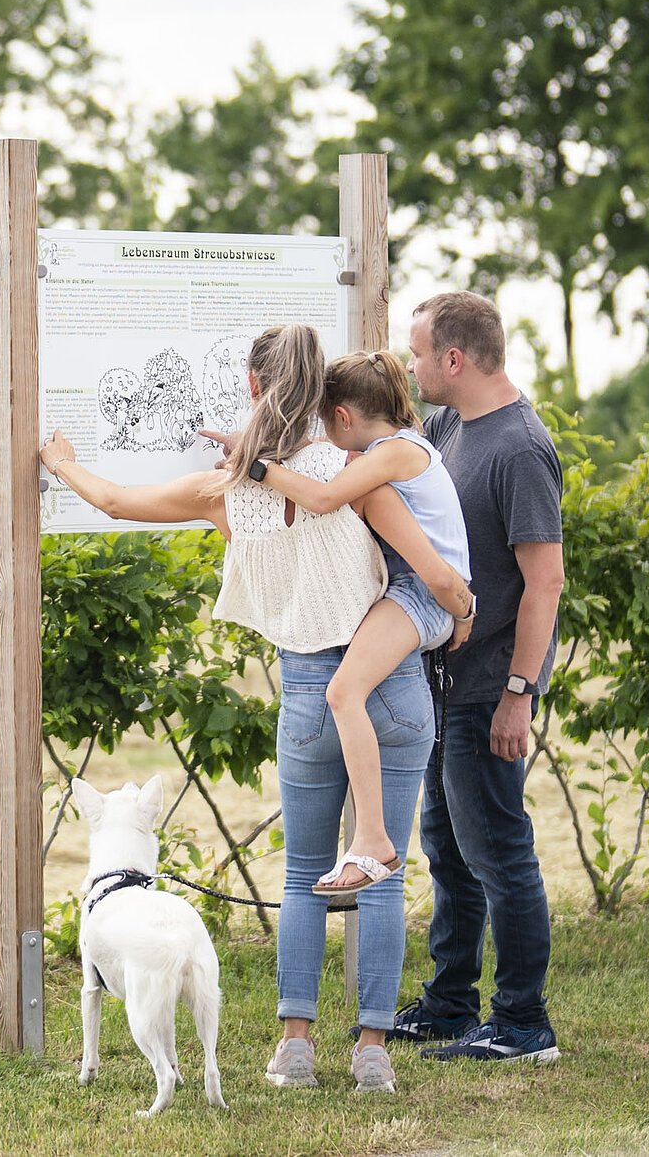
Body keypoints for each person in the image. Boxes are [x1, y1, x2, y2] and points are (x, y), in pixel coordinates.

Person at [38, 322, 449, 1093]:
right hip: (390, 682)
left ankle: (295, 1045)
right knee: (384, 875)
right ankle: (372, 1051)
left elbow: (117, 501)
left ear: (254, 385)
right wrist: (458, 609)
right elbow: (424, 560)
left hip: (309, 693)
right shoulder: (355, 471)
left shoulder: (226, 488)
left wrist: (61, 461)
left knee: (303, 876)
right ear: (322, 388)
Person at [388, 291, 566, 1065]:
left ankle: (523, 1022)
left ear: (454, 359)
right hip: (443, 682)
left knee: (498, 850)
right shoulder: (448, 426)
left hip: (491, 686)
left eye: (419, 352)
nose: (412, 365)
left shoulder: (520, 447)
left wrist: (519, 693)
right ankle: (451, 1001)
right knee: (449, 849)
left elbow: (545, 581)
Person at [247, 349, 473, 896]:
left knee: (343, 691)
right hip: (421, 592)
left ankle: (373, 839)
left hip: (424, 594)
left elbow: (325, 497)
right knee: (346, 692)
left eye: (325, 420)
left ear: (343, 416)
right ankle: (372, 839)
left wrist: (258, 467)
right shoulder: (399, 445)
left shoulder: (394, 454)